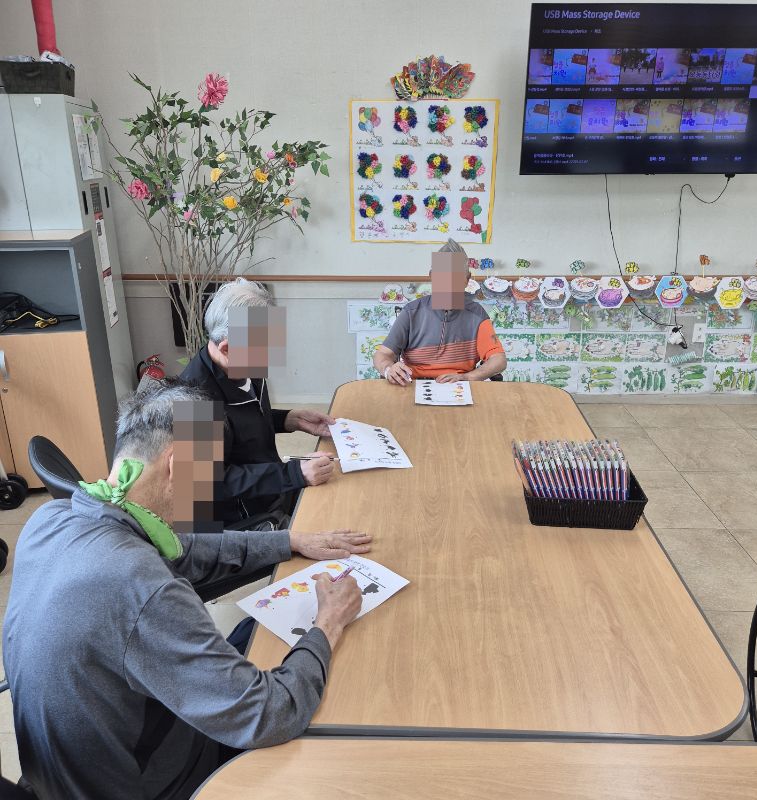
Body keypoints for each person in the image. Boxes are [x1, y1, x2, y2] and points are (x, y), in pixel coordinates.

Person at [3, 379, 371, 800]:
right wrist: (328, 623)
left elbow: (180, 548)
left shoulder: (51, 518)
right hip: (145, 786)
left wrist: (289, 541)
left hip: (68, 770)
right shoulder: (143, 588)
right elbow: (270, 715)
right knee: (326, 716)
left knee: (250, 632)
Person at [181, 278, 334, 530]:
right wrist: (294, 474)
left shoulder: (242, 364)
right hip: (239, 522)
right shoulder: (194, 399)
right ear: (227, 349)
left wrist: (288, 419)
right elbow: (207, 483)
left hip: (269, 489)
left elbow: (238, 423)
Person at [372, 239, 507, 384]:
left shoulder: (477, 314)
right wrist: (388, 369)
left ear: (467, 280)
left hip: (460, 386)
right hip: (414, 385)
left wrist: (467, 377)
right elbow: (383, 354)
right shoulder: (411, 312)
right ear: (432, 276)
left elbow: (498, 360)